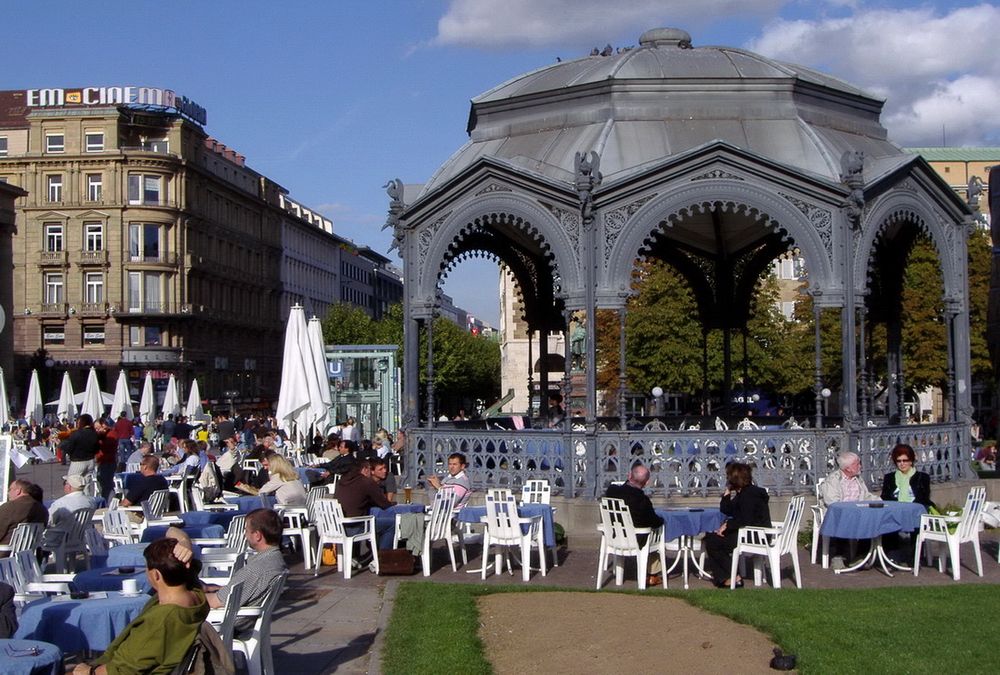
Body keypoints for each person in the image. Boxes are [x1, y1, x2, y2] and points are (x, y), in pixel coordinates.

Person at [72, 537, 207, 675]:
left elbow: (123, 670)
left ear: (156, 575)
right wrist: (184, 542)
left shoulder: (160, 621)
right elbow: (175, 532)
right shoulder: (196, 596)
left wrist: (90, 672)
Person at [196, 508, 286, 633]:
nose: (245, 534)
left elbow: (216, 602)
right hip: (245, 621)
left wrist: (184, 596)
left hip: (229, 625)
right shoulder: (275, 559)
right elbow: (242, 590)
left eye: (246, 530)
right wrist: (212, 588)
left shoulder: (257, 569)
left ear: (257, 535)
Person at [703, 463, 771, 588]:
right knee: (711, 538)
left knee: (712, 542)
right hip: (750, 532)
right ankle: (728, 576)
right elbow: (726, 510)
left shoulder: (749, 495)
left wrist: (727, 526)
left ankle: (733, 576)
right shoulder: (743, 493)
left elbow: (746, 519)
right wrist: (727, 492)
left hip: (755, 535)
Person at [605, 464, 664, 585]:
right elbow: (654, 521)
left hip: (614, 536)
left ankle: (650, 575)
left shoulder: (611, 491)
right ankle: (653, 574)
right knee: (656, 531)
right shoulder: (642, 500)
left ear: (629, 475)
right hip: (635, 540)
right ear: (647, 482)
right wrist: (662, 520)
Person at [880, 443, 933, 508]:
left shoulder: (923, 477)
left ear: (911, 461)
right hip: (894, 512)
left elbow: (924, 500)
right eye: (899, 461)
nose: (902, 464)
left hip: (916, 512)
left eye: (905, 460)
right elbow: (885, 499)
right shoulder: (889, 478)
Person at [0, 480, 48, 547]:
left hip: (5, 552)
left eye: (10, 490)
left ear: (18, 491)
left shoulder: (9, 507)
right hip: (30, 553)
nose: (8, 493)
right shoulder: (42, 509)